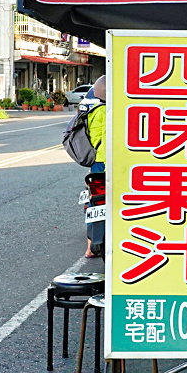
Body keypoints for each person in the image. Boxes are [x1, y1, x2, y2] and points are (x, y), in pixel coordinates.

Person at [84, 75, 107, 258]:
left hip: (96, 164)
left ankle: (90, 246)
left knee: (95, 203)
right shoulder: (109, 111)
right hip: (108, 163)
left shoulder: (93, 110)